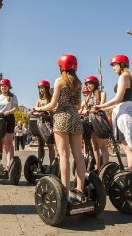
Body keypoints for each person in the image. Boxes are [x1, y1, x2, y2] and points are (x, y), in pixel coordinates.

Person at [34, 54, 86, 202]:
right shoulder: (78, 83)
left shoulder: (59, 81)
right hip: (75, 118)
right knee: (78, 156)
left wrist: (39, 109)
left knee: (63, 156)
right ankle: (80, 190)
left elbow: (52, 104)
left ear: (62, 67)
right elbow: (78, 105)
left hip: (62, 118)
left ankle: (65, 190)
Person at [93, 54, 132, 174]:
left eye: (115, 65)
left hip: (124, 115)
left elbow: (117, 98)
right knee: (129, 148)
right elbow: (120, 101)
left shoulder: (123, 77)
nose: (113, 67)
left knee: (128, 149)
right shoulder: (128, 77)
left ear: (121, 65)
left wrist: (100, 106)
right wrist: (104, 109)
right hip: (125, 110)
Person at [0, 78, 18, 169]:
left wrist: (9, 112)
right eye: (1, 86)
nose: (3, 88)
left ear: (8, 87)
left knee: (8, 142)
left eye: (5, 86)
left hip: (8, 119)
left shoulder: (13, 96)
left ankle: (9, 164)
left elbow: (15, 108)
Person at [80, 75, 108, 171]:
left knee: (103, 147)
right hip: (90, 123)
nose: (88, 85)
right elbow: (82, 108)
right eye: (87, 84)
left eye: (90, 83)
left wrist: (93, 109)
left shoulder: (102, 93)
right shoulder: (88, 97)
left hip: (99, 122)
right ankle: (97, 167)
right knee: (95, 147)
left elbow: (102, 106)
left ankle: (105, 168)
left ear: (95, 84)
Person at [33, 79, 56, 167]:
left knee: (50, 145)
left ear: (47, 88)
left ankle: (52, 165)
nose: (41, 90)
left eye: (42, 88)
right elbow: (35, 109)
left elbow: (52, 109)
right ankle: (39, 164)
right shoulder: (39, 100)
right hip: (40, 123)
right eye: (39, 88)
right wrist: (33, 111)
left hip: (49, 123)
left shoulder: (50, 99)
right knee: (40, 145)